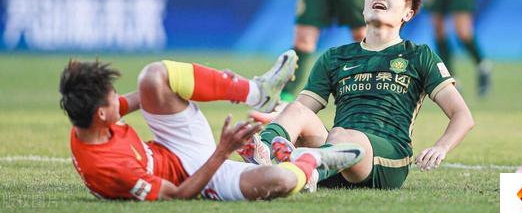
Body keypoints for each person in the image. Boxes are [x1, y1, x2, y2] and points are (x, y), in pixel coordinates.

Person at [242, 0, 474, 190]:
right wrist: (280, 118)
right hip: (334, 153)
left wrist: (441, 147)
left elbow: (462, 115)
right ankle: (264, 152)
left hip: (387, 159)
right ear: (363, 8)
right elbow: (303, 109)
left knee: (342, 134)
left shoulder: (419, 55)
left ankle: (304, 168)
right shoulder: (335, 57)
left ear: (408, 13)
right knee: (297, 111)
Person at [59, 50, 364, 201]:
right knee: (280, 181)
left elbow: (144, 96)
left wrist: (218, 85)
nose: (120, 100)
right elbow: (178, 194)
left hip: (171, 143)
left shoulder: (86, 122)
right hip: (193, 176)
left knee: (152, 77)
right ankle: (311, 162)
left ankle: (258, 91)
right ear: (101, 114)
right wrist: (222, 151)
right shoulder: (112, 168)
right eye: (113, 98)